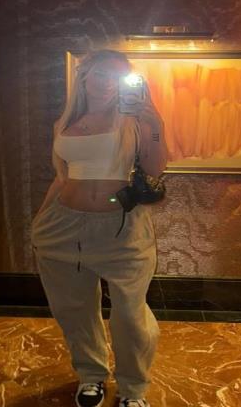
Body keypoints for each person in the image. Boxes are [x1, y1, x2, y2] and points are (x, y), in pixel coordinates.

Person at [30, 49, 168, 407]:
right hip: (63, 227)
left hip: (121, 229)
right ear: (84, 77)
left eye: (116, 76)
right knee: (74, 310)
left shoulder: (133, 120)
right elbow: (62, 178)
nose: (108, 83)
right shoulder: (64, 123)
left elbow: (155, 168)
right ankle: (91, 374)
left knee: (130, 315)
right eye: (101, 74)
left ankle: (133, 388)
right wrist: (39, 222)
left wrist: (154, 124)